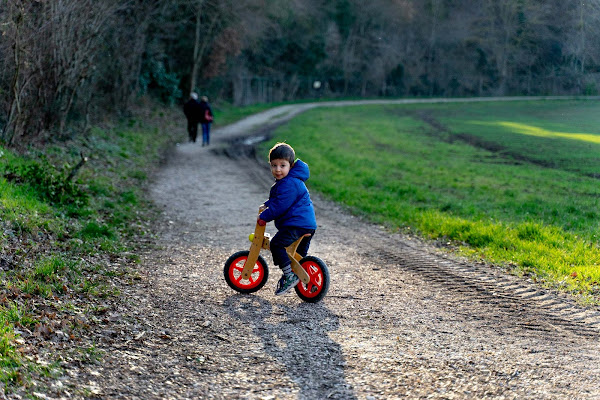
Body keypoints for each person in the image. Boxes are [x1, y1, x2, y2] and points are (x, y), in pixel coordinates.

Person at [258, 143, 317, 295]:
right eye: (274, 165)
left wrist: (264, 217)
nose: (278, 169)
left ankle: (290, 276)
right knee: (297, 257)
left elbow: (281, 205)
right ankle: (304, 278)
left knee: (276, 245)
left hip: (296, 224)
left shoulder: (289, 183)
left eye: (282, 165)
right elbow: (280, 199)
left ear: (290, 166)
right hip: (306, 224)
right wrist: (267, 204)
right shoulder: (290, 181)